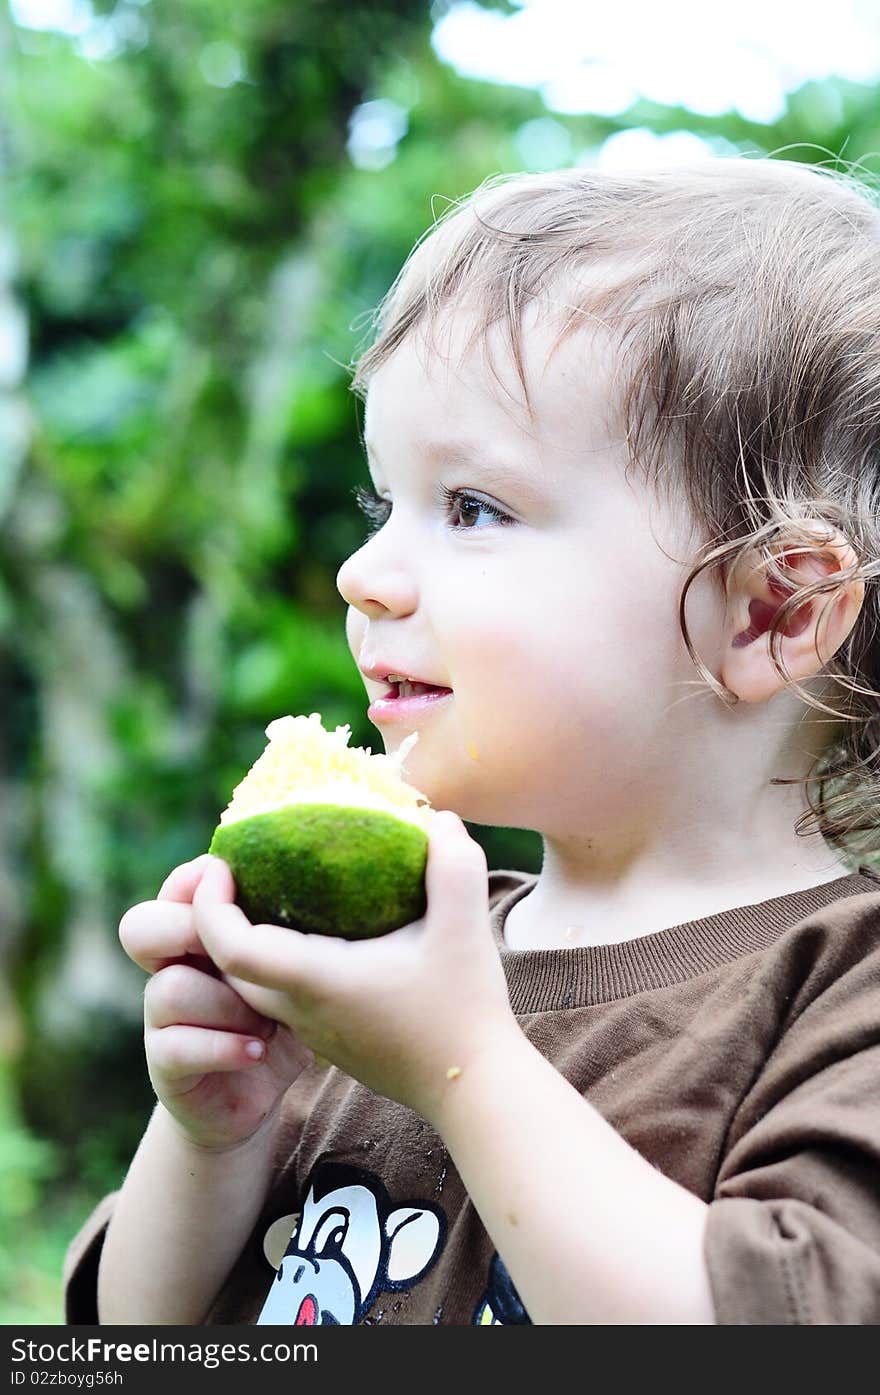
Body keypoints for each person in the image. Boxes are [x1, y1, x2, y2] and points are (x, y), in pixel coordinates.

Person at [65, 157, 880, 1325]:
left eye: (472, 508)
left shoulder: (841, 996)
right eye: (379, 502)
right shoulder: (385, 956)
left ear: (773, 612)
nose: (362, 575)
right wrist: (210, 1135)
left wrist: (461, 1064)